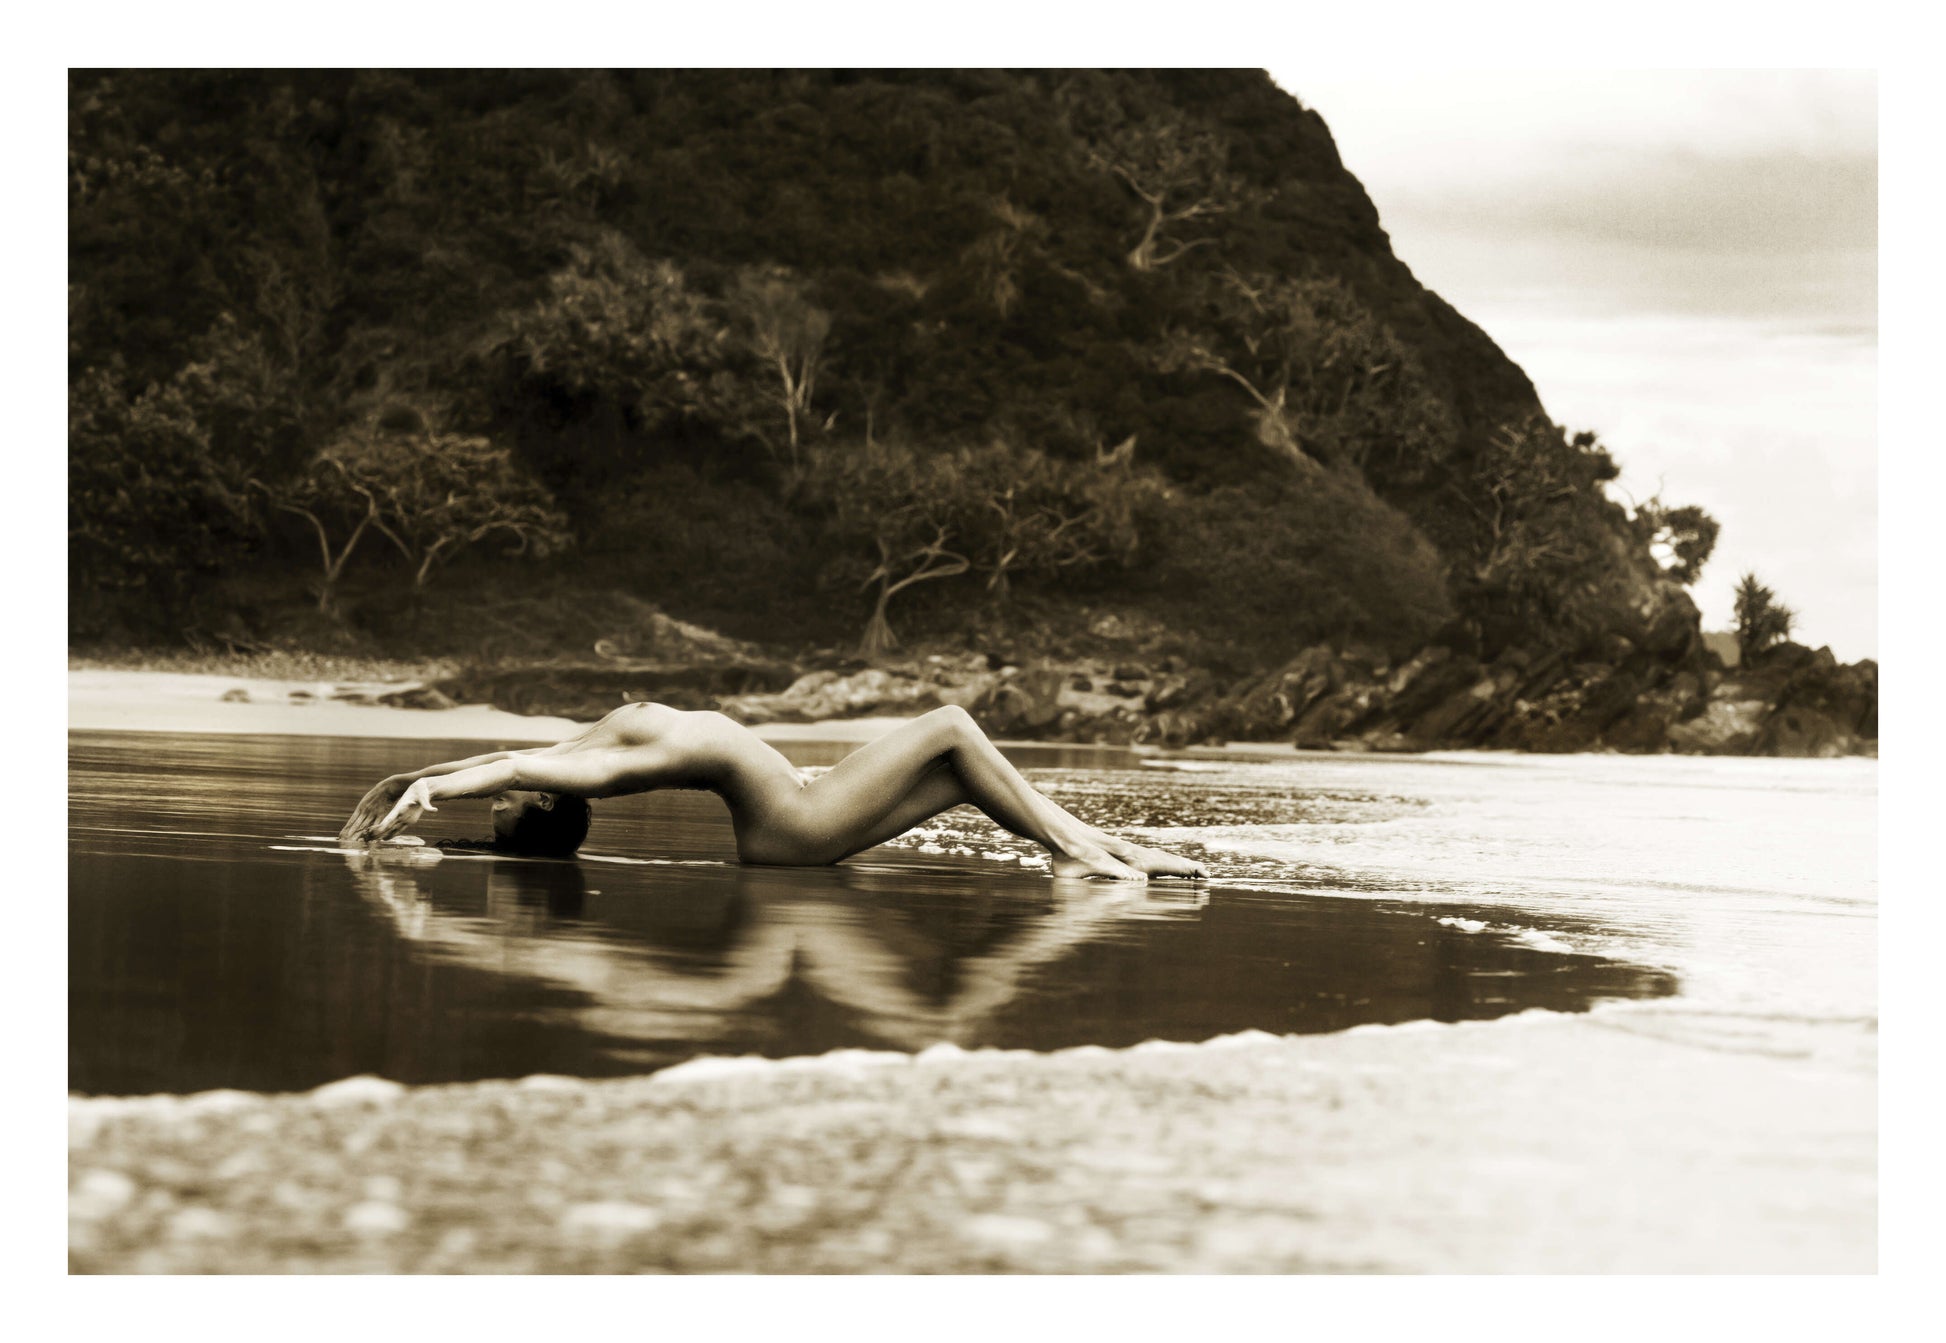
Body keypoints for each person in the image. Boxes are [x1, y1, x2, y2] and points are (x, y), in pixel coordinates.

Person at [339, 701, 1206, 882]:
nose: (497, 801)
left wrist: (413, 784)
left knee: (963, 777)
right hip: (795, 826)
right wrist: (441, 798)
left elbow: (502, 755)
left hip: (797, 805)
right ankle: (1074, 849)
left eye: (496, 807)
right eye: (503, 809)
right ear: (547, 803)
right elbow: (510, 770)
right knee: (950, 725)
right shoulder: (600, 769)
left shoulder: (579, 748)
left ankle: (1106, 849)